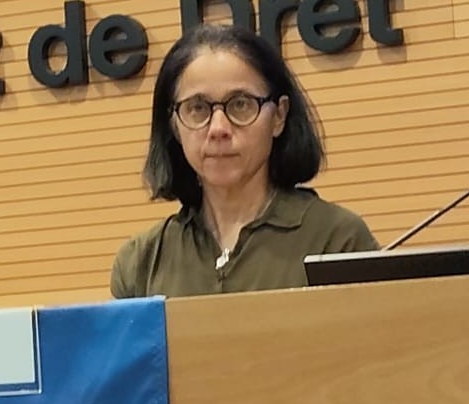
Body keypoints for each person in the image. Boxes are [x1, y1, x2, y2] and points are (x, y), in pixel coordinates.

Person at [112, 24, 377, 299]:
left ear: (279, 116)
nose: (218, 128)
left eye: (240, 104)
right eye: (197, 108)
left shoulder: (337, 240)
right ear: (174, 125)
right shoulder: (140, 263)